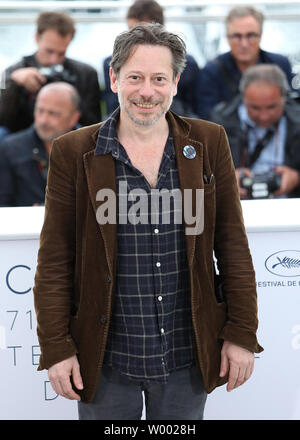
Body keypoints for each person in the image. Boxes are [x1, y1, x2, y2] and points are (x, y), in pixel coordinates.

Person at [33, 23, 262, 420]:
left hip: (186, 359)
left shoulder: (209, 143)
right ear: (114, 78)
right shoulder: (73, 152)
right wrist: (57, 348)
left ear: (176, 82)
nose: (146, 92)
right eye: (135, 77)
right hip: (103, 360)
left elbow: (233, 248)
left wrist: (241, 333)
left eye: (159, 79)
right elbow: (55, 261)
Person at [0, 11, 100, 139]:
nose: (54, 60)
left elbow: (93, 124)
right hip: (24, 138)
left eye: (61, 53)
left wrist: (69, 96)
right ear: (37, 38)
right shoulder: (14, 73)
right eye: (49, 51)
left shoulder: (85, 74)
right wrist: (15, 86)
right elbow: (5, 123)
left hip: (70, 137)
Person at [211, 64, 300, 199]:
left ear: (285, 97)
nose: (264, 116)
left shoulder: (297, 121)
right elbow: (197, 174)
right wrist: (224, 181)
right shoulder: (217, 124)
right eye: (255, 108)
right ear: (243, 99)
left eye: (271, 107)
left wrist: (297, 177)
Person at [102, 0, 201, 118]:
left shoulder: (188, 64)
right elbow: (112, 108)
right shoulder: (113, 62)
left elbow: (196, 108)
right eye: (131, 31)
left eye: (159, 79)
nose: (135, 37)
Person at [198, 6, 294, 120]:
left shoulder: (280, 64)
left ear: (261, 35)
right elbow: (205, 118)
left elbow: (292, 108)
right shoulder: (211, 71)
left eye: (251, 35)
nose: (244, 44)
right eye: (237, 36)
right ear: (227, 37)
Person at [0, 82, 81, 206]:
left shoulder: (93, 148)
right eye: (40, 111)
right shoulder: (9, 149)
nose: (43, 120)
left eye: (53, 113)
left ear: (74, 118)